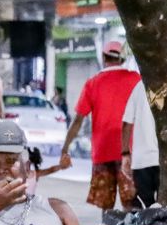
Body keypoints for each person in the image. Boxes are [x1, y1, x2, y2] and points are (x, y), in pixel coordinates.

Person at [58, 41, 140, 212]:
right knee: (131, 204)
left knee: (106, 206)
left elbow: (78, 120)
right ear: (122, 59)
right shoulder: (135, 80)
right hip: (131, 151)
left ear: (103, 57)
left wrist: (65, 147)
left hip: (102, 151)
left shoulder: (93, 83)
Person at [121, 78, 160, 208]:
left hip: (142, 160)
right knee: (166, 208)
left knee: (142, 207)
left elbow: (127, 123)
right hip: (165, 160)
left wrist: (125, 153)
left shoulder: (139, 87)